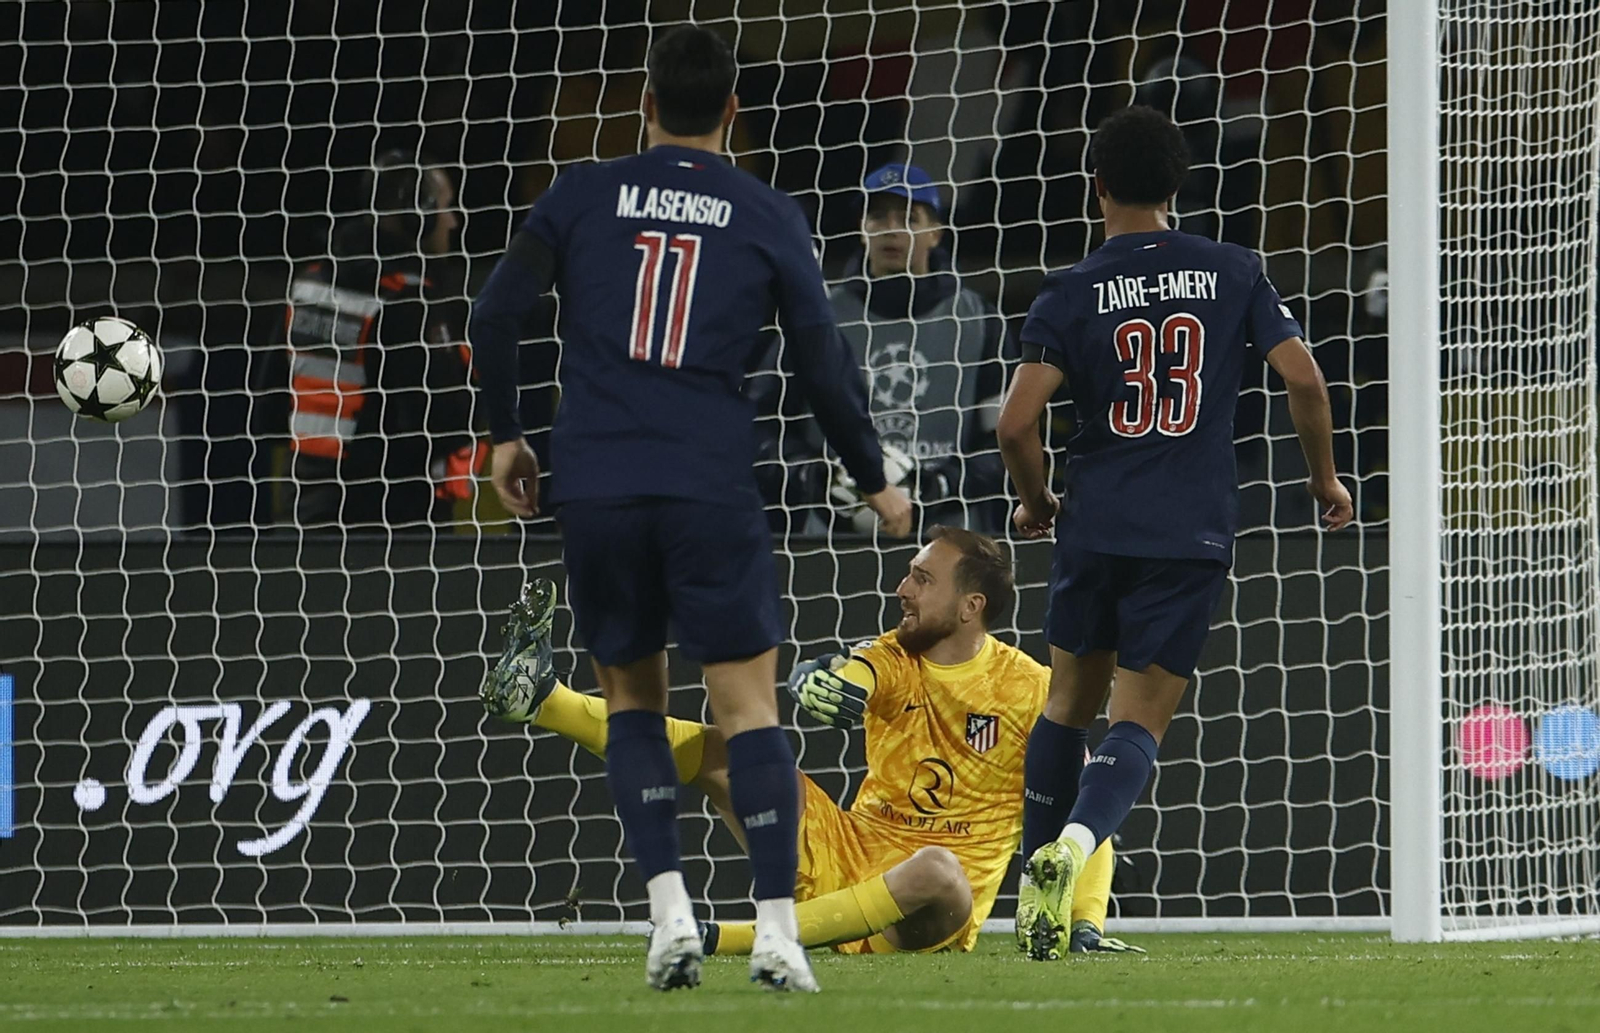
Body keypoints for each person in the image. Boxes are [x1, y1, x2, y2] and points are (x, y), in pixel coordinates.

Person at [466, 25, 913, 993]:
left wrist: (506, 435)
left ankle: (668, 914)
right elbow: (820, 363)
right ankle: (780, 932)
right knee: (747, 707)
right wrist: (875, 479)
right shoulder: (764, 211)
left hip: (598, 482)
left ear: (644, 105)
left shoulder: (580, 191)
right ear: (734, 115)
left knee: (633, 698)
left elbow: (494, 312)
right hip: (709, 481)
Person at [996, 105, 1354, 961]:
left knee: (1066, 704)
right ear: (1177, 184)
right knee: (1139, 723)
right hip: (1187, 529)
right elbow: (1304, 378)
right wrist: (1323, 477)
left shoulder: (1072, 287)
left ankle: (1034, 899)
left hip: (1096, 521)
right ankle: (1074, 855)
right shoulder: (1234, 269)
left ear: (1098, 187)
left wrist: (1037, 499)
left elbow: (1015, 423)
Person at [482, 530, 1142, 958]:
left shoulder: (1031, 688)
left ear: (971, 606)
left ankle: (725, 938)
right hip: (846, 850)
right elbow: (856, 672)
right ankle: (544, 698)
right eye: (908, 573)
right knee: (727, 748)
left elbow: (1088, 817)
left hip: (929, 910)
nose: (901, 589)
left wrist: (1087, 920)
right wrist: (831, 682)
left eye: (921, 578)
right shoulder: (890, 653)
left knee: (938, 868)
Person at [758, 165, 1014, 533]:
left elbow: (1004, 440)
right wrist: (813, 478)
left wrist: (942, 485)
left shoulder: (980, 322)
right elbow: (764, 424)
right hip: (831, 539)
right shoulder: (817, 318)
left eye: (909, 217)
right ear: (863, 230)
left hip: (949, 537)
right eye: (877, 217)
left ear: (935, 233)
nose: (892, 228)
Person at [275, 149, 480, 528]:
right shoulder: (409, 300)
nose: (452, 221)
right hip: (391, 516)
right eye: (447, 207)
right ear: (419, 213)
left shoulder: (307, 284)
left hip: (304, 506)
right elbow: (445, 419)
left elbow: (267, 399)